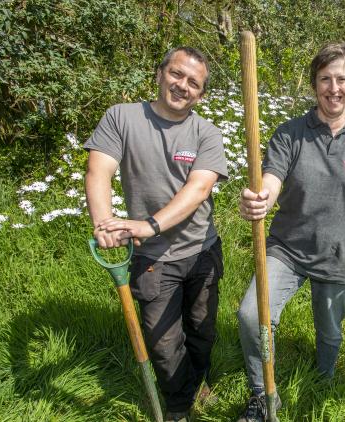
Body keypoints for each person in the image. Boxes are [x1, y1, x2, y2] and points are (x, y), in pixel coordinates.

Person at [235, 43, 345, 422]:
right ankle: (263, 395)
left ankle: (322, 383)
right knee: (249, 315)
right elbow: (272, 178)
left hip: (340, 253)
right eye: (325, 79)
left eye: (342, 79)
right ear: (314, 85)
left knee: (329, 333)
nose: (334, 87)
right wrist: (261, 199)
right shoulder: (291, 133)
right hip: (287, 249)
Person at [84, 47, 228, 422]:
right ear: (161, 72)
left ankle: (200, 382)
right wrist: (104, 225)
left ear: (201, 94)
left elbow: (198, 190)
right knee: (163, 343)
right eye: (176, 74)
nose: (182, 86)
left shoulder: (206, 133)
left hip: (201, 252)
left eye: (193, 83)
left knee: (201, 331)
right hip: (151, 258)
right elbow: (98, 172)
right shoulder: (122, 117)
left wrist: (148, 224)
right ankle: (179, 405)